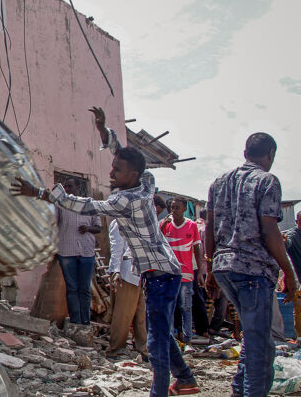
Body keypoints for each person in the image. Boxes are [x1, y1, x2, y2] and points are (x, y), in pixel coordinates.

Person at [12, 106, 197, 397]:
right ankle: (186, 379)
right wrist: (103, 130)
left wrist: (38, 193)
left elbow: (82, 205)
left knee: (157, 339)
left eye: (117, 170)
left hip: (161, 274)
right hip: (161, 271)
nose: (111, 172)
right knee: (161, 331)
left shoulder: (125, 200)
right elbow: (123, 154)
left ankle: (160, 391)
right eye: (113, 167)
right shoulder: (146, 181)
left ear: (132, 174)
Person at [205, 132, 297, 397]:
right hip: (253, 271)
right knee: (261, 347)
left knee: (252, 339)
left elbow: (209, 227)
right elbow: (270, 230)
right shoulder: (267, 181)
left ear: (245, 153)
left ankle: (238, 391)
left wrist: (210, 264)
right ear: (270, 154)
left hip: (225, 268)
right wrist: (288, 273)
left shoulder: (219, 182)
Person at [56, 176, 102, 328]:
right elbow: (54, 223)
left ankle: (85, 321)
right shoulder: (61, 204)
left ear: (78, 188)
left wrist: (87, 228)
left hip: (86, 251)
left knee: (84, 288)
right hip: (66, 250)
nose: (67, 190)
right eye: (66, 187)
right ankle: (75, 320)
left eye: (70, 186)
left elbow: (98, 227)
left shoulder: (89, 204)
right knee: (72, 288)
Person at [160, 198, 206, 347]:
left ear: (184, 208)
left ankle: (188, 339)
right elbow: (158, 244)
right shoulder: (164, 225)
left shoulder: (191, 226)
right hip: (168, 273)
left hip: (186, 273)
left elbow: (197, 248)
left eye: (177, 208)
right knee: (170, 306)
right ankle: (171, 339)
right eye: (172, 207)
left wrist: (198, 272)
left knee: (186, 306)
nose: (174, 210)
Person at [107, 219, 147, 359]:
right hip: (126, 273)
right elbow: (116, 248)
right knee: (123, 315)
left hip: (137, 273)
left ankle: (144, 348)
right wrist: (116, 271)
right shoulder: (119, 222)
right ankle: (115, 349)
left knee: (140, 314)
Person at [283, 211, 301, 337]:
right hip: (298, 280)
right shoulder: (293, 235)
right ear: (297, 222)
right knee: (299, 311)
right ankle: (300, 338)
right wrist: (282, 241)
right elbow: (286, 242)